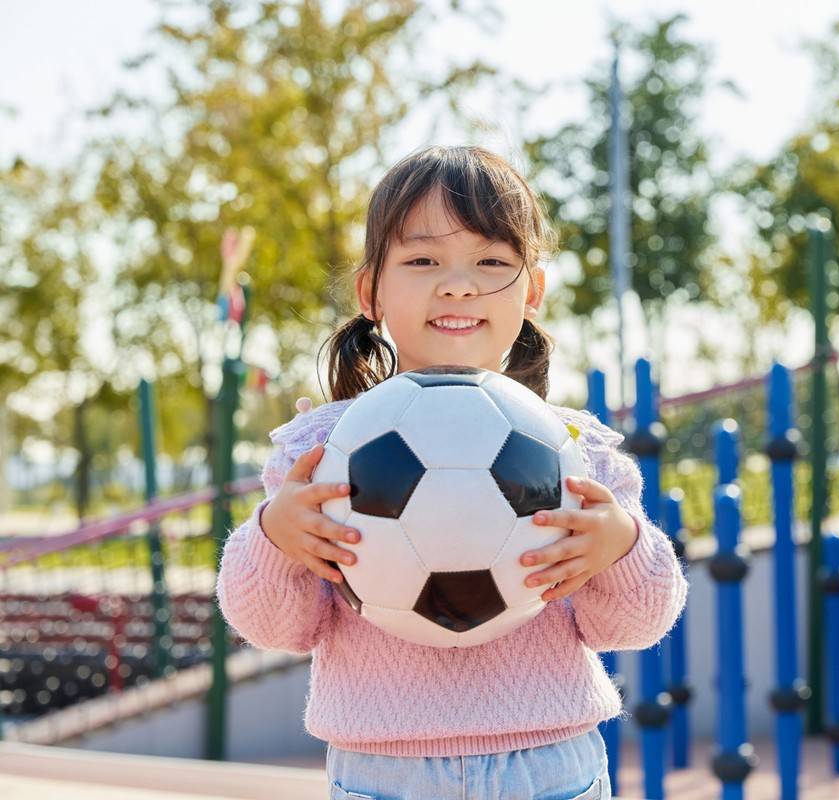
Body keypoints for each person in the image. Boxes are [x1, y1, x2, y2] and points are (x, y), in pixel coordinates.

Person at [216, 145, 688, 800]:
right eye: (423, 260)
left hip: (549, 770)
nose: (458, 284)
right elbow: (273, 627)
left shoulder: (579, 453)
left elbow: (637, 622)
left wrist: (622, 546)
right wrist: (274, 538)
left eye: (491, 261)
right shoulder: (320, 454)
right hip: (381, 777)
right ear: (371, 291)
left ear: (532, 292)